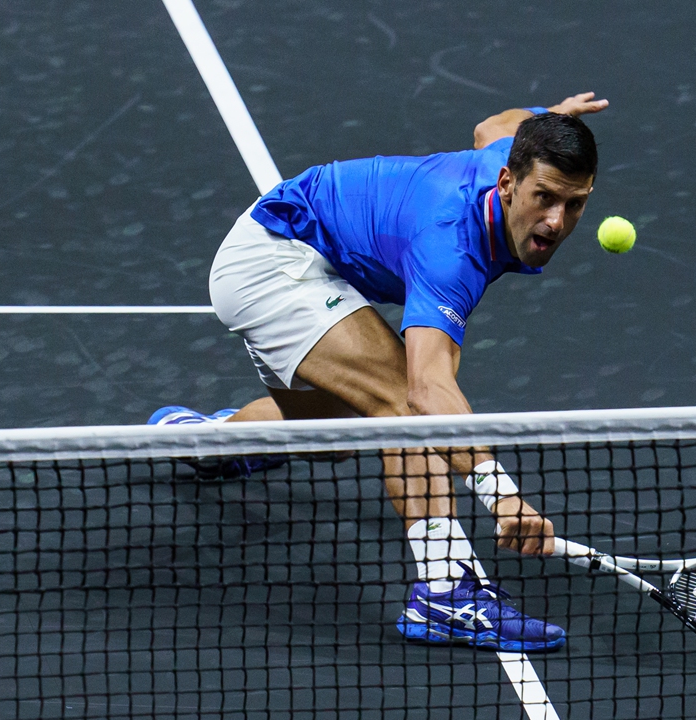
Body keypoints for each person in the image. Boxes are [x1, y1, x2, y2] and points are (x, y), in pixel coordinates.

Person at [150, 93, 608, 652]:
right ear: (508, 184)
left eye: (575, 203)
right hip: (273, 261)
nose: (557, 221)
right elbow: (426, 390)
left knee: (335, 436)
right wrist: (501, 495)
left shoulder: (508, 154)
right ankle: (444, 594)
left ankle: (213, 442)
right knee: (401, 404)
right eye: (545, 198)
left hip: (313, 259)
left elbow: (494, 123)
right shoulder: (450, 246)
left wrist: (550, 119)